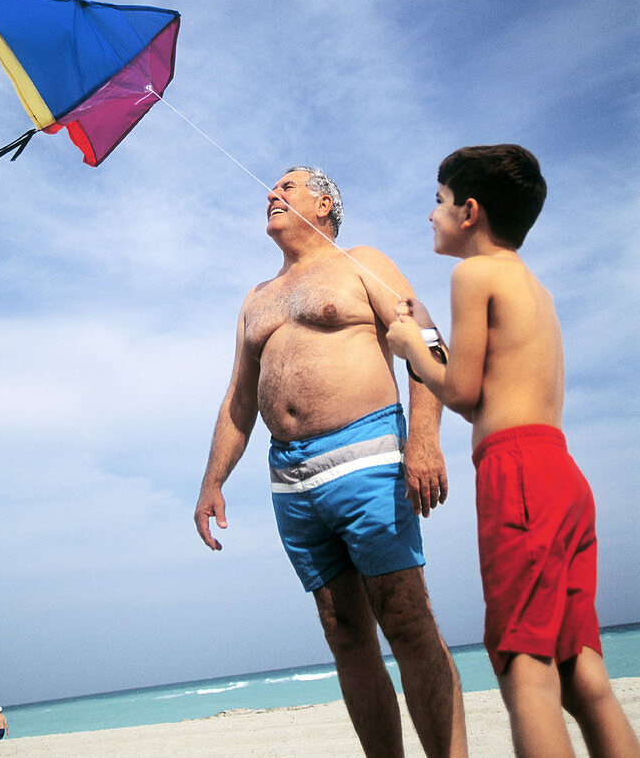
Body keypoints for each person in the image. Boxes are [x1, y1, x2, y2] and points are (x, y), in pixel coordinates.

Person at [195, 167, 467, 758]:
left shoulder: (360, 261)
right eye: (273, 188)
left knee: (406, 617)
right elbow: (239, 400)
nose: (272, 193)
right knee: (343, 632)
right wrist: (212, 481)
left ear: (323, 204)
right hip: (290, 479)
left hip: (367, 454)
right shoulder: (255, 299)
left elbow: (428, 338)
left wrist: (423, 438)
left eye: (286, 187)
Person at [387, 144, 640, 758]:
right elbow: (485, 393)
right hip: (561, 474)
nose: (431, 215)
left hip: (516, 473)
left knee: (522, 663)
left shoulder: (472, 274)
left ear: (469, 211)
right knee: (582, 674)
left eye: (439, 201)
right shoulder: (534, 288)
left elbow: (461, 392)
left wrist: (410, 351)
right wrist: (428, 333)